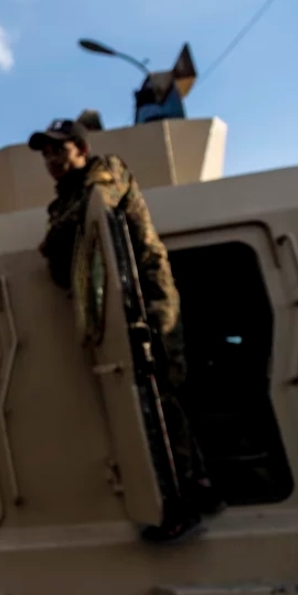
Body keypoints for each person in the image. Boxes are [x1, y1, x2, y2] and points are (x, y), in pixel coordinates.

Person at [28, 118, 225, 542]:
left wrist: (62, 236)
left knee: (161, 390)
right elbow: (57, 263)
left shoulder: (107, 169)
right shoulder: (60, 204)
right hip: (114, 307)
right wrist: (62, 237)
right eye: (46, 154)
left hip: (149, 295)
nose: (51, 160)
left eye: (59, 150)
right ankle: (191, 489)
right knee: (147, 394)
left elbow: (98, 207)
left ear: (81, 148)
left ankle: (185, 499)